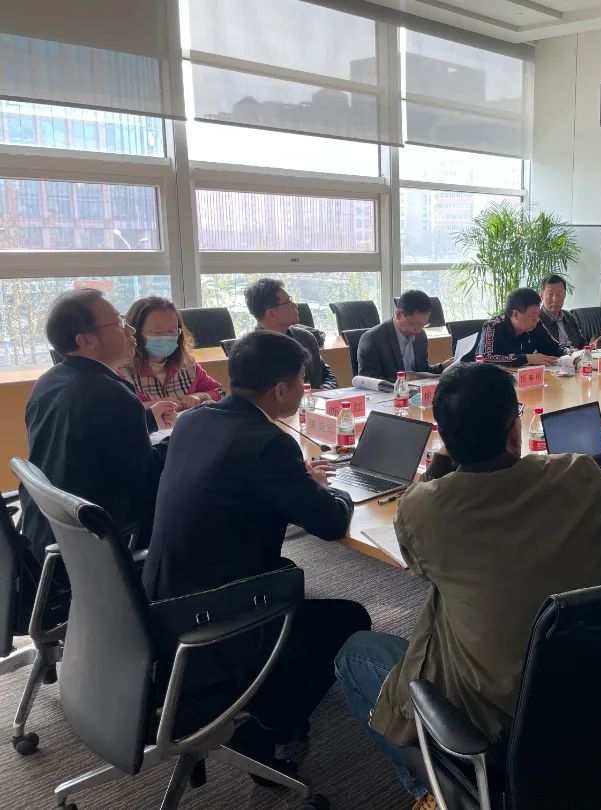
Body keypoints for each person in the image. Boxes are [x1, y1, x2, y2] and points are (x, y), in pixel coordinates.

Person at [334, 362, 601, 809]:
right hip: (597, 689)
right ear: (514, 432)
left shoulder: (423, 508)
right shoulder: (581, 476)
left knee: (356, 654)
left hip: (497, 719)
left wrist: (442, 470)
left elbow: (422, 569)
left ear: (445, 438)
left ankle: (438, 791)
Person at [142, 330, 371, 761]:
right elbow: (329, 522)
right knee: (350, 618)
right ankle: (268, 728)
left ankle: (268, 693)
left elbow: (235, 477)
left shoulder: (194, 420)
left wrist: (298, 479)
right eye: (302, 380)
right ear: (280, 389)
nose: (304, 387)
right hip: (214, 609)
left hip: (166, 592)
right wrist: (335, 489)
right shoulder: (268, 443)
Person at [20, 290, 174, 567]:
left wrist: (148, 418)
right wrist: (181, 438)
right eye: (119, 323)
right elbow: (146, 482)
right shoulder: (110, 394)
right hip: (98, 551)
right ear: (87, 341)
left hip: (48, 540)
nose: (130, 330)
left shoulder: (50, 382)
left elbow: (82, 433)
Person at [121, 296, 225, 409]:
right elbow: (116, 411)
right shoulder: (121, 373)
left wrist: (200, 396)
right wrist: (154, 405)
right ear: (135, 333)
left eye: (172, 331)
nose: (165, 337)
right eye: (157, 332)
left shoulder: (187, 366)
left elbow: (219, 391)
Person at [245, 277, 337, 389]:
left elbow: (327, 373)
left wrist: (326, 389)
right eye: (289, 302)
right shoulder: (251, 351)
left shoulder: (306, 338)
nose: (295, 305)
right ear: (271, 312)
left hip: (315, 400)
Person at [356, 289, 450, 382]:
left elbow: (422, 371)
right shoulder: (372, 339)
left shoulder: (420, 336)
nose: (419, 330)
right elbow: (368, 381)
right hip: (390, 391)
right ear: (398, 315)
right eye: (415, 324)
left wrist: (442, 367)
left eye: (423, 325)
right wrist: (403, 379)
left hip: (416, 390)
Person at [475, 287, 569, 367]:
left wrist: (568, 352)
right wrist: (527, 358)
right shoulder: (493, 326)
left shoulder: (536, 326)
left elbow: (553, 347)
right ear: (516, 314)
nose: (537, 320)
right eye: (532, 316)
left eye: (538, 315)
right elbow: (485, 358)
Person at [538, 274, 587, 350]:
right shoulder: (535, 320)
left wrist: (593, 346)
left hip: (576, 356)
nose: (555, 299)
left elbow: (582, 344)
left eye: (559, 294)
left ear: (565, 295)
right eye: (550, 294)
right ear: (541, 296)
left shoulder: (569, 316)